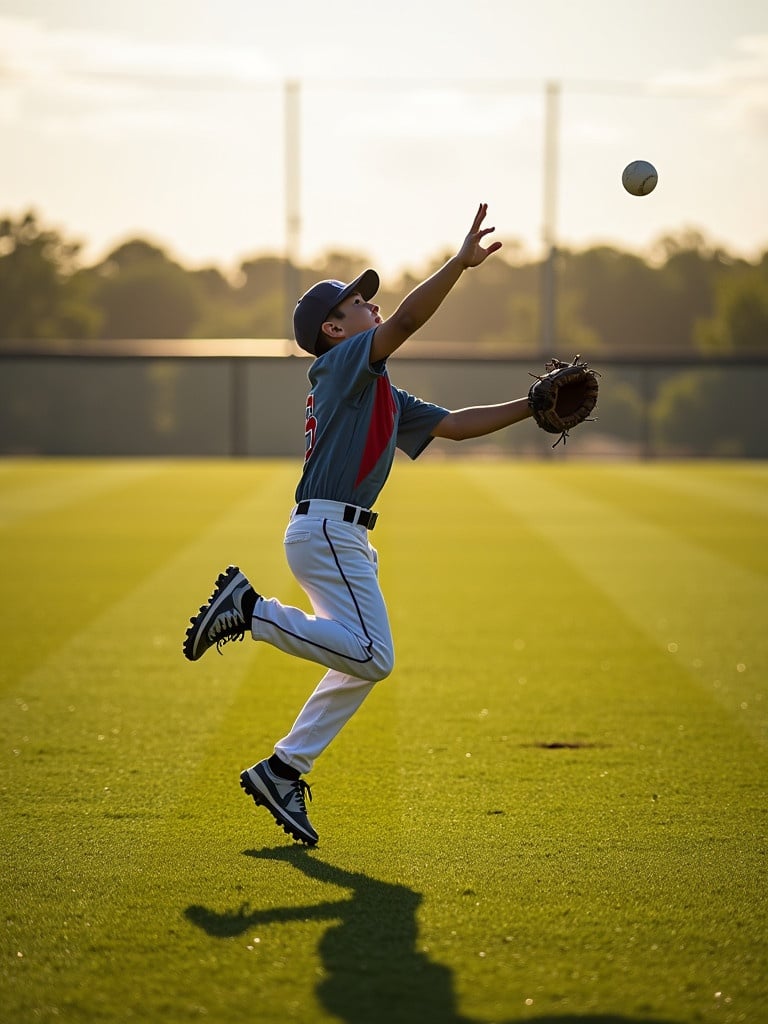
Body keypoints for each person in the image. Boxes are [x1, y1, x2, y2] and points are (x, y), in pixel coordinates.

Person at [182, 203, 534, 846]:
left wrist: (531, 406)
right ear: (333, 331)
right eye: (355, 304)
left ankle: (284, 768)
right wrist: (458, 263)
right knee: (373, 656)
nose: (371, 306)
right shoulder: (342, 366)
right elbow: (405, 320)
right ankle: (250, 611)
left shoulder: (379, 393)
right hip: (327, 532)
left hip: (336, 536)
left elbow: (453, 425)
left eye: (366, 301)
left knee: (353, 662)